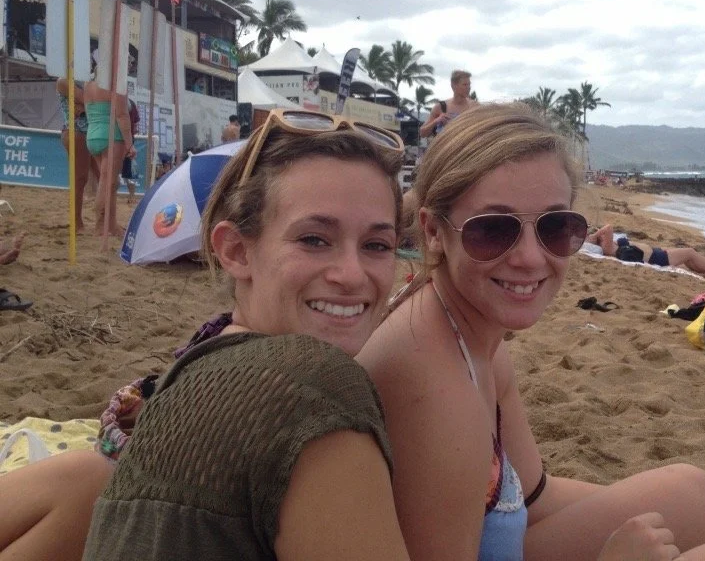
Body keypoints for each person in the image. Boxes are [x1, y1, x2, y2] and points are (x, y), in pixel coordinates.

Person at [1, 113, 652, 561]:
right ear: (234, 249)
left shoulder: (205, 363)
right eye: (315, 239)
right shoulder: (315, 393)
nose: (352, 275)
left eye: (373, 245)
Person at [359, 103, 705, 561]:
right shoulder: (435, 393)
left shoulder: (470, 333)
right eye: (492, 230)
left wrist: (692, 500)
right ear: (433, 231)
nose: (529, 257)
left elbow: (533, 496)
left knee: (698, 493)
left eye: (556, 227)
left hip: (505, 539)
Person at [83, 81, 135, 238]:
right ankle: (100, 226)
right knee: (107, 182)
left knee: (110, 183)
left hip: (93, 132)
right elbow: (122, 115)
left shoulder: (89, 84)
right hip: (112, 134)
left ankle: (111, 225)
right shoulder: (116, 84)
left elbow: (88, 109)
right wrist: (129, 143)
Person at [585, 225, 705, 276]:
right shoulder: (606, 247)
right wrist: (594, 236)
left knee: (688, 258)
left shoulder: (605, 244)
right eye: (587, 236)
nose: (590, 234)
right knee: (690, 253)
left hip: (654, 253)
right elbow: (609, 227)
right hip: (655, 257)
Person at [56, 78, 99, 231]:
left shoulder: (88, 80)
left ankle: (103, 221)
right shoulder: (64, 80)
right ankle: (76, 221)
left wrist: (86, 106)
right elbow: (88, 100)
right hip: (76, 131)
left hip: (91, 131)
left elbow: (93, 103)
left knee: (104, 177)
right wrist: (89, 104)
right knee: (80, 179)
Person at [419, 69, 477, 139]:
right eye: (465, 85)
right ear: (453, 86)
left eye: (469, 84)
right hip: (443, 148)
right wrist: (436, 121)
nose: (469, 88)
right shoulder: (441, 106)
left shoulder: (474, 106)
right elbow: (422, 133)